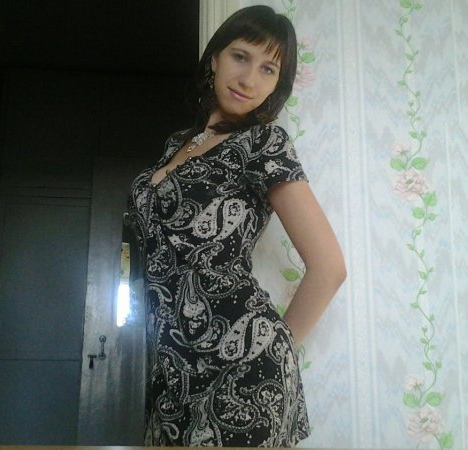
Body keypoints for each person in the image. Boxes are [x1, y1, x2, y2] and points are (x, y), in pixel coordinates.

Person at [127, 5, 346, 447]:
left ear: (277, 84)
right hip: (170, 370)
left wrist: (269, 344)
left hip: (243, 373)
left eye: (268, 69)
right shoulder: (176, 145)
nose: (249, 79)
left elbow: (329, 267)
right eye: (241, 57)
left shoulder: (264, 143)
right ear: (215, 59)